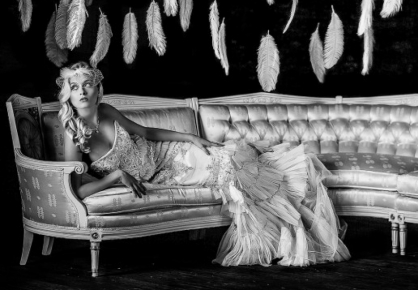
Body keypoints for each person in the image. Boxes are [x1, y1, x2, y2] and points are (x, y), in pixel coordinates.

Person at [58, 61, 350, 267]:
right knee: (235, 178)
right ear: (68, 94)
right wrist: (117, 175)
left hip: (171, 153)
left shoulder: (107, 111)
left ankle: (293, 230)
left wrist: (190, 137)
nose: (82, 92)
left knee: (231, 157)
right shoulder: (73, 134)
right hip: (164, 175)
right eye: (75, 87)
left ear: (98, 89)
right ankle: (291, 236)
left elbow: (146, 133)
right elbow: (76, 191)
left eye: (87, 85)